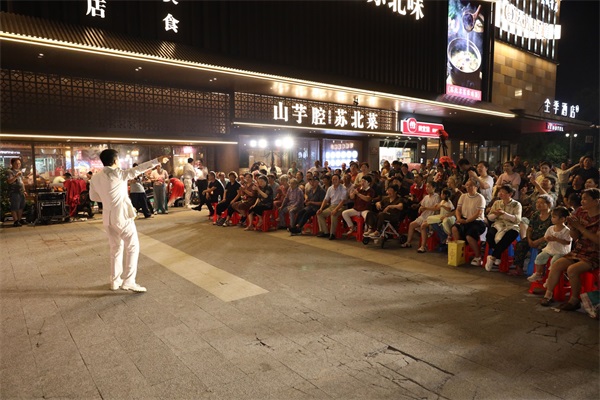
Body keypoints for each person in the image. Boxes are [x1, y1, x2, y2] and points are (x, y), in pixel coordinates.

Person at [89, 149, 169, 292]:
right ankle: (129, 281)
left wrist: (108, 199)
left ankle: (115, 281)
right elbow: (138, 169)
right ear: (115, 160)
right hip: (121, 217)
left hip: (107, 218)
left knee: (115, 248)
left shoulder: (95, 178)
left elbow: (93, 197)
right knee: (132, 247)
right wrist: (157, 161)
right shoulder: (118, 173)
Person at [540, 189, 599, 310]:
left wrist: (580, 227)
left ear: (596, 201)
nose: (582, 201)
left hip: (595, 254)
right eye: (582, 198)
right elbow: (575, 237)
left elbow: (598, 240)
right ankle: (548, 295)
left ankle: (574, 300)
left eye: (585, 199)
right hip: (579, 250)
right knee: (556, 265)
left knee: (572, 269)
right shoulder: (581, 212)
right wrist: (572, 228)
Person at [511, 194, 554, 276]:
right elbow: (530, 229)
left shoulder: (552, 216)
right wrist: (529, 239)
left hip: (546, 239)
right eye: (537, 202)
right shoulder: (535, 214)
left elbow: (551, 234)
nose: (538, 205)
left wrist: (537, 241)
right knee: (520, 244)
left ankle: (539, 272)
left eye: (541, 203)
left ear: (548, 204)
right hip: (534, 237)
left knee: (542, 249)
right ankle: (519, 269)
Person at [527, 206, 572, 283]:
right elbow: (546, 237)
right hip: (550, 249)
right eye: (552, 216)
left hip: (561, 251)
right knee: (539, 257)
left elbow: (568, 242)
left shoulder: (567, 230)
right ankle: (538, 274)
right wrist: (548, 238)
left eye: (554, 217)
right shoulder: (551, 228)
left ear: (562, 219)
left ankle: (551, 278)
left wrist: (556, 239)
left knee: (554, 261)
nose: (552, 219)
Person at [484, 185, 522, 271]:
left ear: (510, 194)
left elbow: (517, 219)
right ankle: (497, 255)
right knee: (489, 235)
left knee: (510, 235)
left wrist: (504, 214)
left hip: (512, 226)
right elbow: (490, 217)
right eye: (500, 192)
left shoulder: (516, 204)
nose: (500, 194)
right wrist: (496, 215)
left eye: (503, 192)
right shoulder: (497, 203)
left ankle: (492, 257)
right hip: (498, 224)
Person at [451, 178, 487, 266]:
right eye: (467, 185)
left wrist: (467, 221)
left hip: (477, 221)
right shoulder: (463, 196)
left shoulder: (480, 198)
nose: (468, 187)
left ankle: (478, 257)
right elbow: (458, 209)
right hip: (464, 219)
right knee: (454, 229)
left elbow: (478, 213)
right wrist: (459, 218)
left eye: (471, 185)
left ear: (476, 187)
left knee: (469, 236)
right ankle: (460, 251)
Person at [402, 182, 440, 252]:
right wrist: (421, 208)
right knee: (411, 225)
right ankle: (408, 242)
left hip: (432, 217)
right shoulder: (426, 197)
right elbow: (422, 206)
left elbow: (437, 208)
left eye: (429, 187)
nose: (427, 188)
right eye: (426, 187)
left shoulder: (436, 197)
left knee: (423, 226)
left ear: (434, 188)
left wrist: (426, 208)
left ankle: (423, 246)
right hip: (424, 216)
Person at [316, 174, 348, 240]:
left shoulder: (343, 188)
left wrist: (336, 209)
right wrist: (321, 208)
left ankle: (332, 233)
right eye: (333, 179)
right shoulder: (330, 188)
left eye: (336, 179)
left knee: (334, 214)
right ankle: (325, 232)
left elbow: (342, 201)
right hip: (332, 206)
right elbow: (325, 199)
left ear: (339, 180)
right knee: (319, 214)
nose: (334, 181)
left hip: (341, 206)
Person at [6, 158, 27, 227]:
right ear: (12, 164)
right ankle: (15, 221)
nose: (18, 165)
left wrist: (24, 190)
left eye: (19, 163)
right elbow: (9, 181)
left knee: (21, 206)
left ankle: (19, 219)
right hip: (14, 191)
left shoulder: (19, 172)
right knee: (15, 206)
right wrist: (16, 176)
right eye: (16, 163)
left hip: (21, 191)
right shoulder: (10, 172)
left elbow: (22, 182)